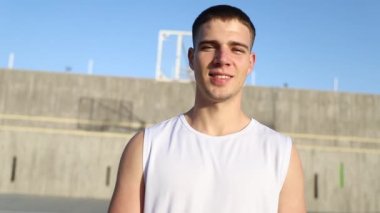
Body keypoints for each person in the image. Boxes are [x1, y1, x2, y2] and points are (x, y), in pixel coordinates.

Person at [108, 4, 306, 213]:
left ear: (250, 63)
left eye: (236, 49)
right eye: (209, 47)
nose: (222, 59)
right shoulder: (146, 146)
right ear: (191, 58)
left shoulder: (281, 153)